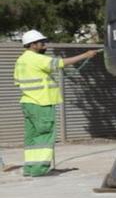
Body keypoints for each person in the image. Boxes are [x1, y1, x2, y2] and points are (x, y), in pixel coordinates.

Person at [14, 31, 102, 176]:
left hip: (28, 103)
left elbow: (18, 82)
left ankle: (30, 168)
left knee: (32, 137)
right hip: (41, 102)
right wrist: (85, 55)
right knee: (44, 136)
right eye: (42, 43)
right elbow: (60, 63)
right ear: (33, 45)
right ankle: (39, 170)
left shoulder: (21, 60)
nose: (44, 45)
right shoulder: (35, 58)